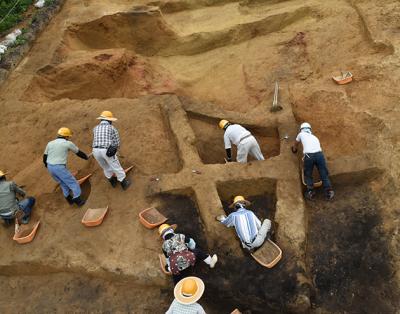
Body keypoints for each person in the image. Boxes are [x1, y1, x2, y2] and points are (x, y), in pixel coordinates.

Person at [43, 127, 89, 206]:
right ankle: (78, 200)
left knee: (63, 183)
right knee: (73, 183)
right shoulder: (68, 143)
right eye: (68, 137)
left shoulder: (50, 143)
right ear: (66, 136)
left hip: (50, 167)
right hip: (59, 167)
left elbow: (44, 157)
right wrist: (86, 157)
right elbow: (78, 152)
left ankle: (69, 199)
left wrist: (48, 166)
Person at [291, 122, 334, 201]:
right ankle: (329, 191)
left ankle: (311, 192)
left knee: (308, 173)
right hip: (320, 155)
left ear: (301, 129)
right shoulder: (314, 137)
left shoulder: (301, 134)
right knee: (323, 173)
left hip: (309, 156)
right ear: (310, 129)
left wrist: (294, 149)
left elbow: (296, 143)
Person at [92, 111, 130, 190]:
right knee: (116, 166)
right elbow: (116, 142)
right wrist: (115, 151)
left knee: (105, 167)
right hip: (106, 151)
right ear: (109, 120)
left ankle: (112, 182)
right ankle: (124, 183)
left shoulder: (95, 128)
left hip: (95, 151)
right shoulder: (111, 128)